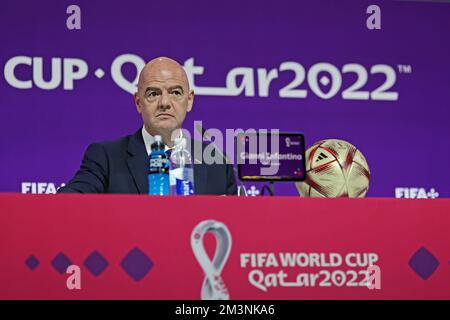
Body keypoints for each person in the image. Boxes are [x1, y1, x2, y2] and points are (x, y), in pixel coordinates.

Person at [58, 57, 237, 195]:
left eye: (175, 92)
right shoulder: (106, 158)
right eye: (153, 94)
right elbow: (67, 203)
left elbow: (234, 226)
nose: (165, 103)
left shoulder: (217, 163)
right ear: (138, 102)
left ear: (189, 101)